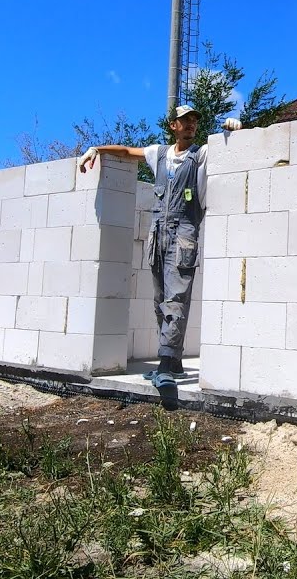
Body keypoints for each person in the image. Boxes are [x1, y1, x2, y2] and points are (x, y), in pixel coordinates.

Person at [77, 105, 240, 388]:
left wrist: (234, 130)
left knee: (176, 299)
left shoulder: (201, 155)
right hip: (158, 234)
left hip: (183, 235)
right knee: (160, 300)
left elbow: (229, 151)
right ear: (172, 126)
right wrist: (96, 149)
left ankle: (165, 363)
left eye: (193, 120)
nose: (190, 124)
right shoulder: (159, 154)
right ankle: (174, 362)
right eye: (184, 121)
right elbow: (128, 152)